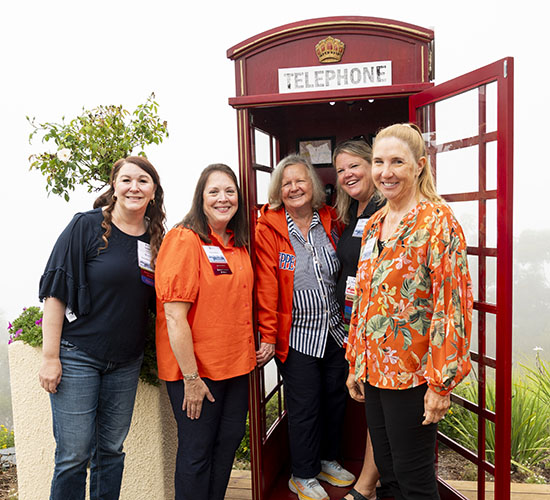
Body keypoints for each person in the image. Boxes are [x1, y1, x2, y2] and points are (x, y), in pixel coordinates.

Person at [346, 123, 473, 500]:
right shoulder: (374, 225)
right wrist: (356, 361)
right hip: (374, 371)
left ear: (419, 166)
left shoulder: (437, 222)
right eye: (379, 162)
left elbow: (452, 307)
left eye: (397, 162)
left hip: (414, 375)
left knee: (414, 481)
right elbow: (364, 299)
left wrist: (440, 384)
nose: (386, 172)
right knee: (389, 476)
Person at [38, 156, 166, 500]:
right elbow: (56, 290)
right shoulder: (86, 226)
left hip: (125, 362)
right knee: (74, 455)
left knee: (111, 450)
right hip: (78, 356)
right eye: (126, 180)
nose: (134, 187)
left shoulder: (156, 239)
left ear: (154, 191)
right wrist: (51, 357)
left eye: (143, 181)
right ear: (114, 186)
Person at [255, 154, 355, 500]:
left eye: (300, 181)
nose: (294, 187)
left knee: (335, 399)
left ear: (313, 185)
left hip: (334, 330)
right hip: (297, 335)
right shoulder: (267, 229)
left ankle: (326, 459)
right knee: (305, 406)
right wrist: (267, 334)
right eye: (287, 183)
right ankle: (302, 473)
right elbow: (266, 285)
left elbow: (347, 270)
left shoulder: (330, 219)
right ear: (278, 190)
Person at [155, 164, 256, 500]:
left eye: (229, 191)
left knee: (227, 444)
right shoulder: (184, 239)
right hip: (197, 372)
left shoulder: (236, 242)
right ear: (200, 197)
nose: (223, 198)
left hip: (236, 366)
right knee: (197, 452)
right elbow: (174, 315)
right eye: (214, 191)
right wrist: (191, 379)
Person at [332, 139, 388, 500]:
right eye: (340, 170)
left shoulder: (385, 208)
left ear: (373, 165)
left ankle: (367, 484)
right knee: (372, 401)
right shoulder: (356, 211)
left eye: (354, 166)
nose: (347, 175)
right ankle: (377, 476)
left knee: (380, 405)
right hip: (354, 322)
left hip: (377, 323)